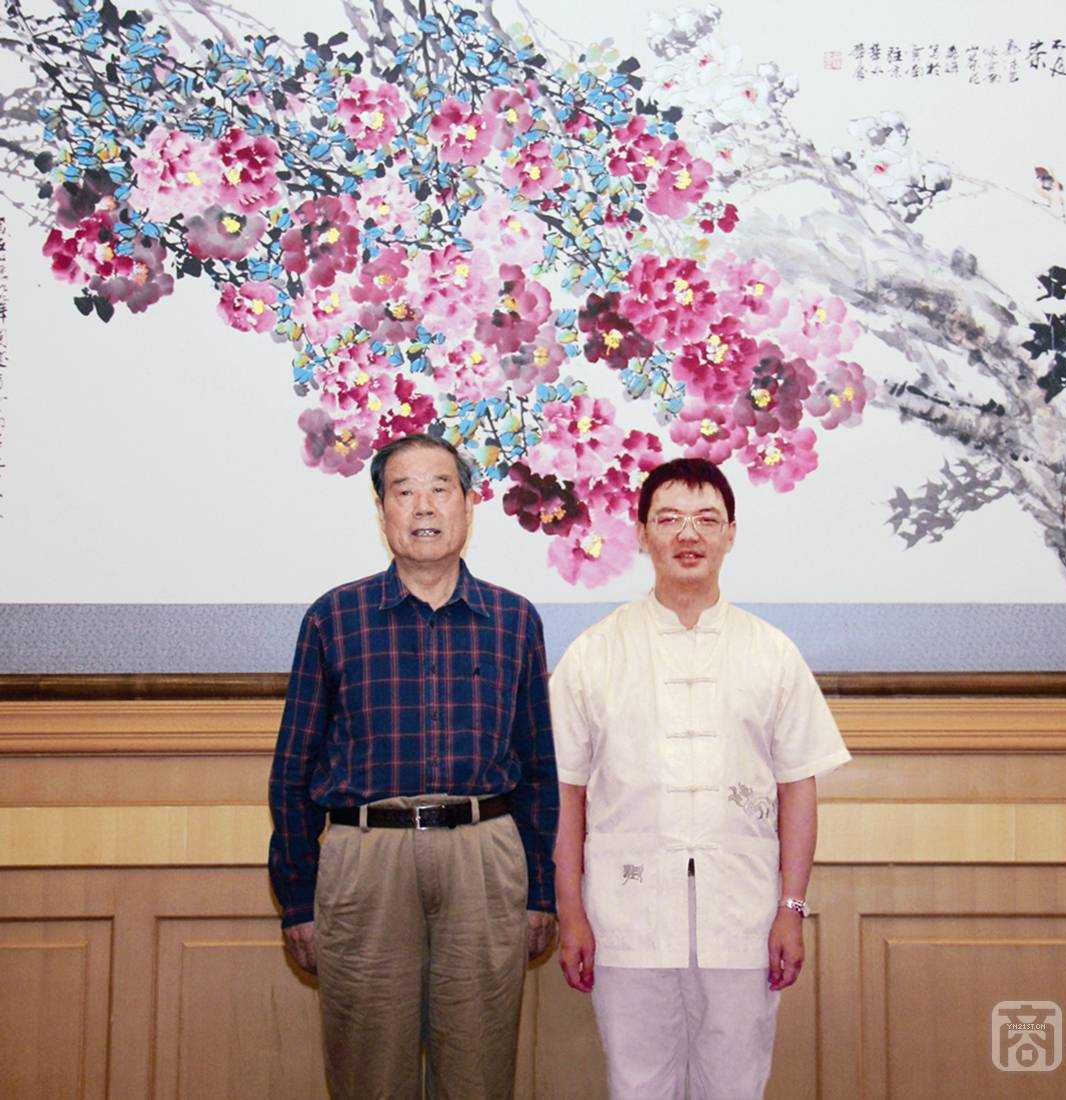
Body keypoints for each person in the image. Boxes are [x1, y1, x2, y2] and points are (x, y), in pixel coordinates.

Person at [550, 457, 851, 1100]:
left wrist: (791, 909)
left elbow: (798, 787)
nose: (688, 535)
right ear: (641, 533)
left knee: (736, 1085)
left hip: (743, 916)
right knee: (636, 1085)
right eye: (669, 520)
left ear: (730, 534)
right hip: (625, 913)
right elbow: (566, 794)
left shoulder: (771, 652)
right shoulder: (593, 654)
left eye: (706, 520)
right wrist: (570, 912)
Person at [268, 433, 559, 1100]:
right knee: (369, 1070)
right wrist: (297, 899)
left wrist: (540, 891)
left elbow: (539, 770)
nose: (423, 506)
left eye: (440, 488)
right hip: (366, 857)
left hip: (483, 856)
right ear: (382, 512)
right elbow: (292, 773)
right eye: (404, 491)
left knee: (478, 1069)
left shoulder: (514, 620)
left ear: (468, 504)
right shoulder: (334, 618)